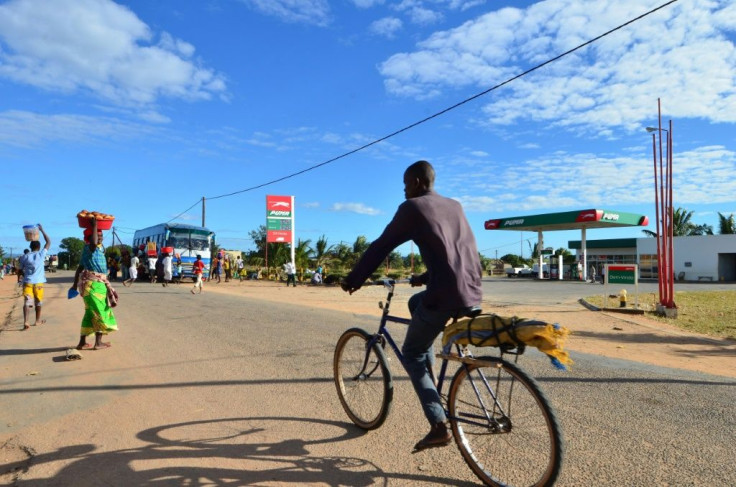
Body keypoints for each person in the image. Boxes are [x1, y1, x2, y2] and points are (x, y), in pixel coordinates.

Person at [341, 160, 483, 452]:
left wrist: (354, 279)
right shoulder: (454, 206)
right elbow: (457, 252)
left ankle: (438, 426)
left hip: (445, 295)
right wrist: (424, 277)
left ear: (417, 182)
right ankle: (429, 374)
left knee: (412, 353)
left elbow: (381, 246)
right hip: (471, 290)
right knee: (416, 302)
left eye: (405, 184)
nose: (404, 190)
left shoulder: (413, 208)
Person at [71, 219, 117, 350]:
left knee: (89, 314)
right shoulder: (89, 248)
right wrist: (95, 225)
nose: (100, 238)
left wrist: (74, 285)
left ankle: (82, 342)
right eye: (97, 235)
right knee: (99, 313)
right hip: (93, 285)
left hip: (98, 284)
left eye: (101, 236)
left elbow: (79, 267)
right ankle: (98, 343)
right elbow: (80, 268)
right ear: (89, 238)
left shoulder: (99, 249)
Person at [19, 224, 51, 330]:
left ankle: (26, 321)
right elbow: (48, 242)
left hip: (28, 282)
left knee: (27, 302)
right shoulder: (41, 254)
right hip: (38, 283)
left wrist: (23, 277)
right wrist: (42, 230)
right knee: (38, 302)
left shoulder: (24, 257)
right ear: (38, 247)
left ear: (30, 247)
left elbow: (20, 269)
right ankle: (37, 321)